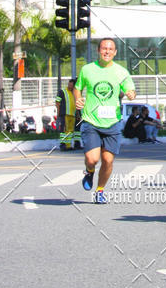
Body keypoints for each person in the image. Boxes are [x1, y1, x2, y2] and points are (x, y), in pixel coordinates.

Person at [74, 37, 136, 203]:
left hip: (112, 122)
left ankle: (100, 190)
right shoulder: (87, 70)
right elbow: (77, 88)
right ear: (98, 51)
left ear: (115, 52)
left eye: (110, 49)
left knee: (108, 160)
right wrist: (78, 99)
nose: (107, 51)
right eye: (104, 48)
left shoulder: (121, 72)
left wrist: (131, 94)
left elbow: (131, 89)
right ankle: (89, 171)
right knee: (92, 159)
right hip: (91, 121)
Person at [55, 78, 77, 150]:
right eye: (69, 84)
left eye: (72, 85)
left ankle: (68, 145)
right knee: (64, 130)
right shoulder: (62, 91)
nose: (70, 86)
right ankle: (63, 144)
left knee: (70, 131)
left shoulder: (74, 93)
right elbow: (57, 102)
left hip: (72, 114)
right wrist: (58, 112)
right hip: (65, 114)